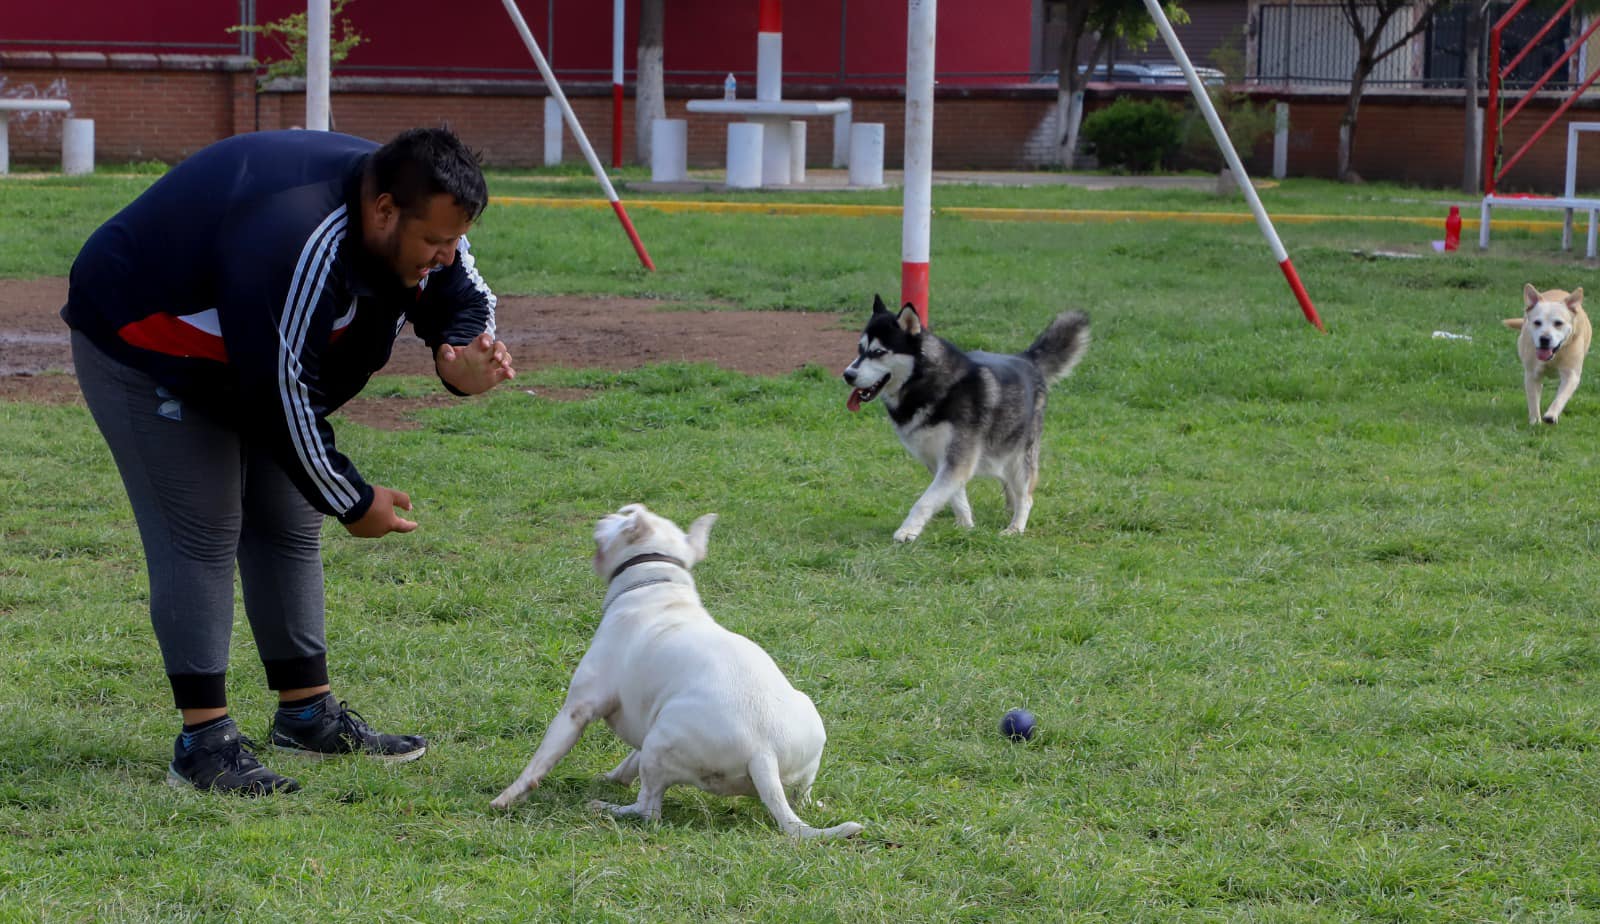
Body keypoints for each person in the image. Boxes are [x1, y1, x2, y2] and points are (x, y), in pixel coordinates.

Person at [61, 126, 516, 796]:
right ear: (384, 211)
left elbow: (463, 295)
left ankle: (306, 716)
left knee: (287, 517)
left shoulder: (424, 210)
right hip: (144, 336)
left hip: (245, 353)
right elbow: (278, 393)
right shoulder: (296, 236)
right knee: (202, 528)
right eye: (434, 243)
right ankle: (204, 746)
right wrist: (355, 501)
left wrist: (462, 356)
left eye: (453, 241)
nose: (444, 256)